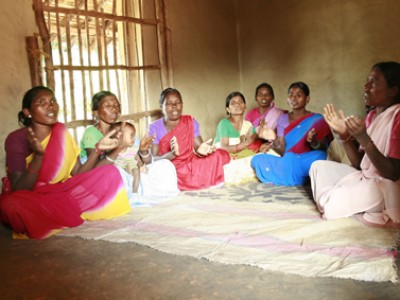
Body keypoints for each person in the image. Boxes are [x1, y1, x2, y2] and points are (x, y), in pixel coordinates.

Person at [0, 86, 131, 239]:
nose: (50, 105)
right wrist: (38, 157)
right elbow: (19, 189)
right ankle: (60, 212)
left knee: (110, 172)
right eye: (42, 102)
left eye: (53, 101)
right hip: (32, 197)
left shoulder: (61, 131)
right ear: (27, 112)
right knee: (9, 205)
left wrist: (97, 150)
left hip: (61, 192)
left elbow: (78, 173)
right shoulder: (16, 139)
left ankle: (55, 213)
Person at [309, 62, 400, 226]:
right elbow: (360, 163)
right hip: (366, 177)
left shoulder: (397, 117)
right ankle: (353, 198)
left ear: (393, 90)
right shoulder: (372, 115)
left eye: (374, 83)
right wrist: (344, 135)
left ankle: (354, 199)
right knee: (317, 167)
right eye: (367, 81)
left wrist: (364, 138)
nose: (366, 87)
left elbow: (393, 174)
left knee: (330, 206)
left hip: (386, 187)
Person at [80, 91, 179, 201]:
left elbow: (141, 160)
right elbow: (96, 169)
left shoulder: (125, 128)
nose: (114, 109)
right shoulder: (91, 133)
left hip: (132, 169)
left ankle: (140, 190)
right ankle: (137, 192)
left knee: (165, 166)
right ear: (96, 112)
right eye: (107, 106)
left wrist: (143, 151)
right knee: (117, 173)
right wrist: (118, 149)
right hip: (109, 172)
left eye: (116, 106)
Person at [251, 82, 333, 186]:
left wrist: (314, 142)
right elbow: (282, 151)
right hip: (288, 159)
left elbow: (322, 148)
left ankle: (287, 174)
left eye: (298, 95)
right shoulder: (282, 119)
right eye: (290, 95)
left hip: (306, 159)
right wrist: (273, 138)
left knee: (321, 156)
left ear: (307, 99)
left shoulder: (317, 119)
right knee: (256, 159)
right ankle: (303, 176)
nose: (293, 98)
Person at [148, 87, 230, 190]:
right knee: (165, 173)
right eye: (169, 104)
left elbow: (199, 149)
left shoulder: (189, 121)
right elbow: (153, 159)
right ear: (161, 106)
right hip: (171, 168)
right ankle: (199, 180)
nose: (174, 106)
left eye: (178, 103)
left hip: (191, 162)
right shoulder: (154, 127)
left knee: (220, 154)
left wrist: (202, 151)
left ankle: (198, 178)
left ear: (182, 105)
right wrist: (171, 155)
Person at [213, 91, 277, 184]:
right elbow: (224, 148)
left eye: (240, 102)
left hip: (242, 154)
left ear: (245, 106)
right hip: (225, 156)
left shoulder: (248, 125)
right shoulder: (223, 123)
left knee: (270, 152)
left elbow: (258, 139)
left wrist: (262, 136)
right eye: (233, 103)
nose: (237, 105)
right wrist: (247, 142)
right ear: (228, 109)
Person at [108, 121, 142, 194]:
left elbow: (138, 160)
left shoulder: (133, 149)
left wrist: (141, 166)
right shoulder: (113, 151)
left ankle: (135, 191)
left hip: (132, 168)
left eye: (134, 136)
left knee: (136, 171)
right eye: (131, 135)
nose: (134, 139)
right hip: (120, 170)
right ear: (120, 137)